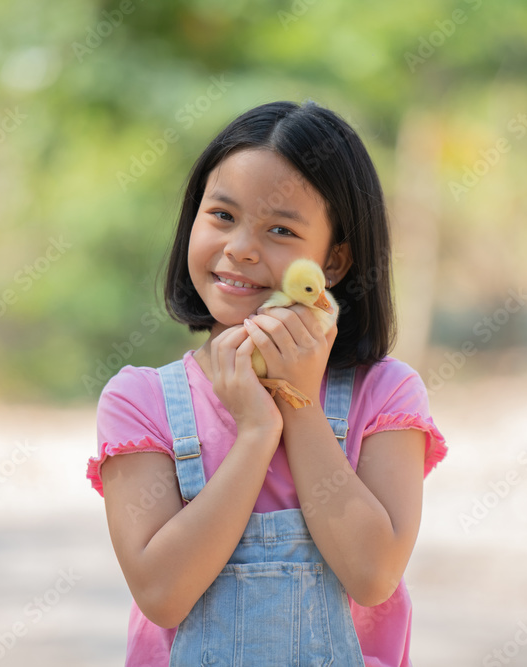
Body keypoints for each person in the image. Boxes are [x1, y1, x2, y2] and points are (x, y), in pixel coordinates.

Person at [87, 100, 447, 666]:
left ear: (334, 261)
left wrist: (297, 407)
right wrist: (256, 432)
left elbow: (373, 575)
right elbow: (161, 593)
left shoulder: (385, 395)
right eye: (222, 216)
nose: (241, 248)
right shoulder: (141, 401)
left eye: (280, 229)